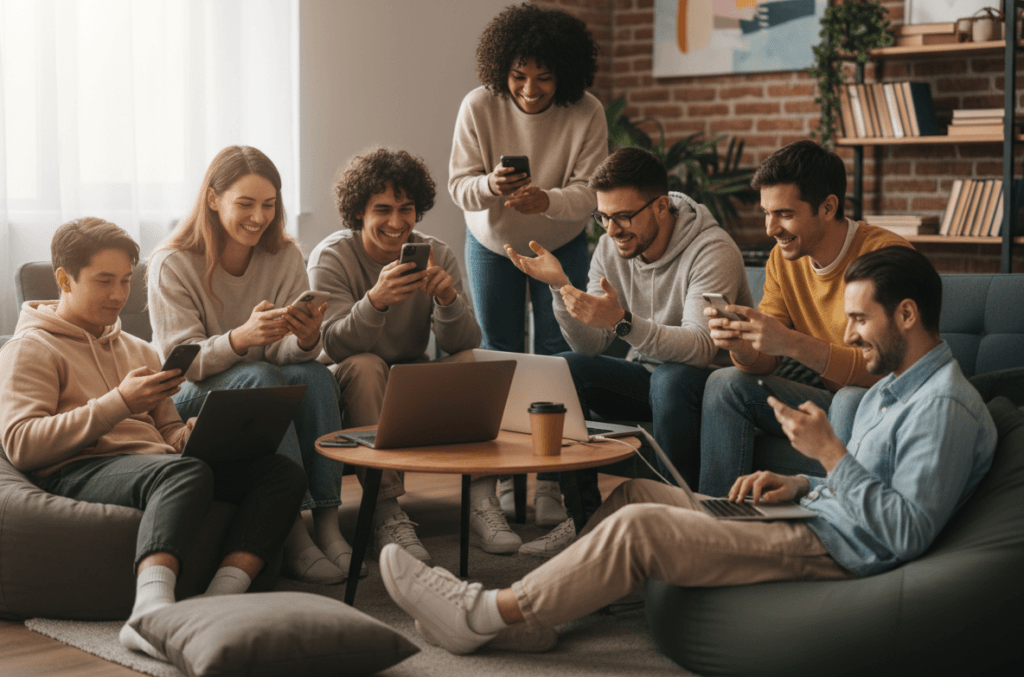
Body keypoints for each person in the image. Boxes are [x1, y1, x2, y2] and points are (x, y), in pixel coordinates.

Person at [378, 246, 998, 655]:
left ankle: (484, 611)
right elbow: (878, 487)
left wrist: (831, 456)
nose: (849, 334)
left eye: (861, 319)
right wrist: (805, 484)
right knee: (637, 494)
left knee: (643, 527)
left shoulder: (941, 406)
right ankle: (537, 616)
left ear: (908, 314)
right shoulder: (896, 387)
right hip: (816, 516)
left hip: (833, 549)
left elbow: (906, 533)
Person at [0, 218, 306, 662]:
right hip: (75, 468)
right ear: (64, 279)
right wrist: (118, 403)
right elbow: (22, 445)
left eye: (126, 280)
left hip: (161, 467)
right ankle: (149, 612)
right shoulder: (30, 348)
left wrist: (190, 434)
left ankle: (221, 597)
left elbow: (166, 433)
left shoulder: (139, 349)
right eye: (104, 281)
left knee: (280, 473)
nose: (119, 295)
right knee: (185, 474)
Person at [505, 147, 751, 556]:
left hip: (706, 384)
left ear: (660, 206)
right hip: (650, 379)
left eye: (623, 216)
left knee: (672, 378)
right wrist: (560, 288)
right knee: (564, 369)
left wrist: (623, 322)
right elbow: (591, 345)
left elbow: (700, 347)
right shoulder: (610, 248)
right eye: (603, 217)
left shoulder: (711, 249)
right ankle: (585, 520)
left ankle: (672, 522)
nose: (612, 229)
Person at [147, 146, 352, 585]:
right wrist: (241, 338)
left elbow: (282, 356)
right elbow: (181, 363)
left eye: (269, 204)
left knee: (314, 376)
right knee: (259, 377)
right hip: (186, 398)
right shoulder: (172, 262)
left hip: (262, 378)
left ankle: (329, 526)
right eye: (245, 204)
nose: (258, 217)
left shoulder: (285, 256)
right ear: (213, 198)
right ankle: (293, 536)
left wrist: (306, 338)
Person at [308, 147, 519, 559]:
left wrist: (446, 300)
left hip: (412, 380)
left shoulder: (436, 251)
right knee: (366, 365)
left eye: (406, 209)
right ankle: (386, 514)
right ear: (358, 214)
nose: (396, 222)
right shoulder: (332, 255)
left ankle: (481, 504)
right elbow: (331, 344)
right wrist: (376, 301)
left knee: (480, 363)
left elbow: (464, 343)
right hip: (357, 384)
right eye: (382, 209)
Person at [449, 2, 608, 525]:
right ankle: (496, 485)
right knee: (498, 358)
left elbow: (589, 194)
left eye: (544, 78)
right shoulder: (479, 106)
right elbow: (458, 186)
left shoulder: (586, 111)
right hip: (493, 243)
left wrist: (549, 202)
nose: (531, 90)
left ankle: (551, 485)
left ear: (565, 73)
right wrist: (490, 186)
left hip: (560, 243)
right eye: (519, 76)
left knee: (559, 358)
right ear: (503, 70)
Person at [699, 140, 913, 497]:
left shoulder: (885, 256)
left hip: (889, 403)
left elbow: (885, 370)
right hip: (837, 399)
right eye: (766, 213)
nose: (770, 228)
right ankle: (719, 519)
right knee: (725, 384)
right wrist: (744, 347)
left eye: (784, 214)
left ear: (828, 207)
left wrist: (792, 342)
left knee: (850, 398)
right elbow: (765, 361)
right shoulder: (782, 260)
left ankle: (842, 514)